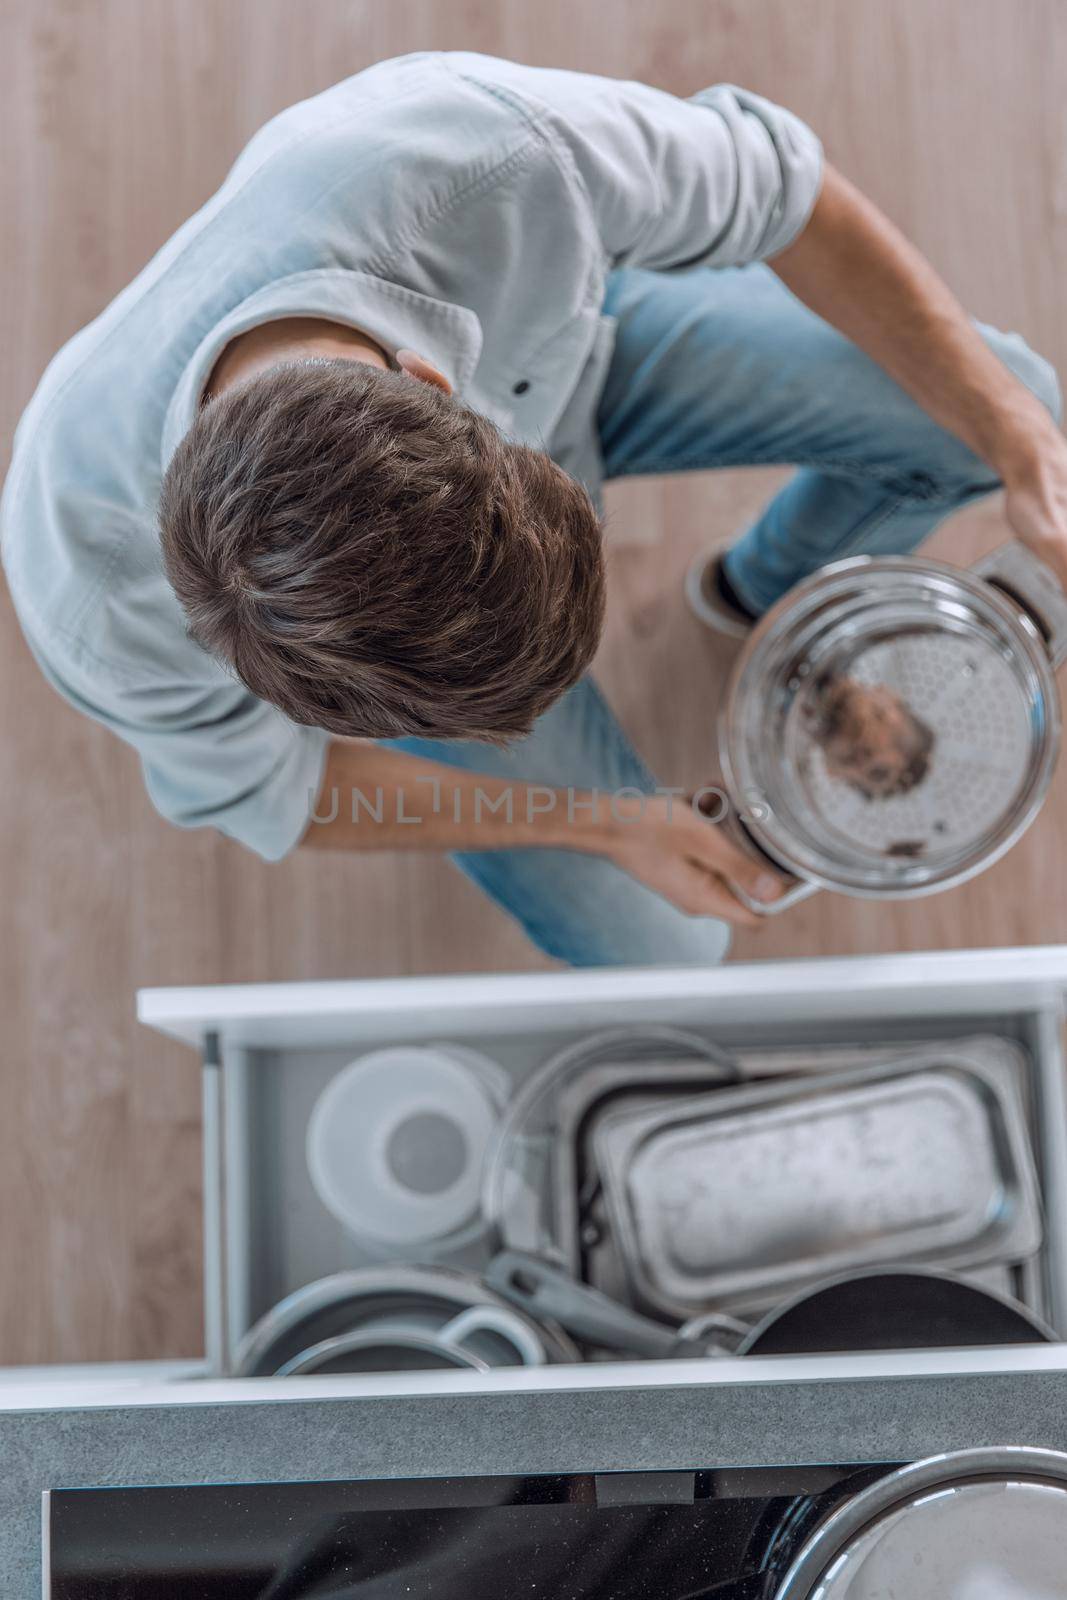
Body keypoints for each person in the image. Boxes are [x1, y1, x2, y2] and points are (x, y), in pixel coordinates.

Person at [3, 52, 1063, 967]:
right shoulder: (97, 607)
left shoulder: (486, 156)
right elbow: (277, 792)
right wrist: (599, 825)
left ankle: (758, 591)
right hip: (484, 428)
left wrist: (1017, 442)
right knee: (669, 945)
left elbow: (787, 191)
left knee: (1007, 402)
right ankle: (737, 623)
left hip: (574, 356)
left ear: (430, 383)